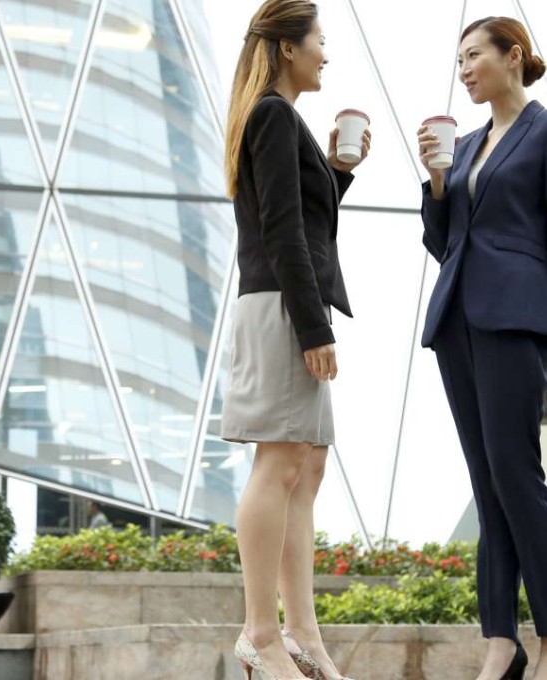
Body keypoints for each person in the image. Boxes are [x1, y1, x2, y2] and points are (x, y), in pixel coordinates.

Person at [221, 1, 369, 678]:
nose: (326, 55)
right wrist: (313, 326)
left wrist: (339, 174)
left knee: (305, 468)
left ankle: (301, 632)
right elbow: (280, 227)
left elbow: (300, 216)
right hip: (283, 306)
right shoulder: (274, 114)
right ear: (288, 47)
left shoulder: (278, 117)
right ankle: (259, 632)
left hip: (288, 302)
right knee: (278, 464)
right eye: (319, 42)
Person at [417, 15, 547, 680]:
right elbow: (443, 243)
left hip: (517, 317)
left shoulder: (545, 132)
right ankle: (500, 640)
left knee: (519, 478)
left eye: (473, 56)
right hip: (457, 321)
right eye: (458, 59)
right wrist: (438, 180)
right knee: (488, 483)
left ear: (512, 56)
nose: (463, 69)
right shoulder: (464, 145)